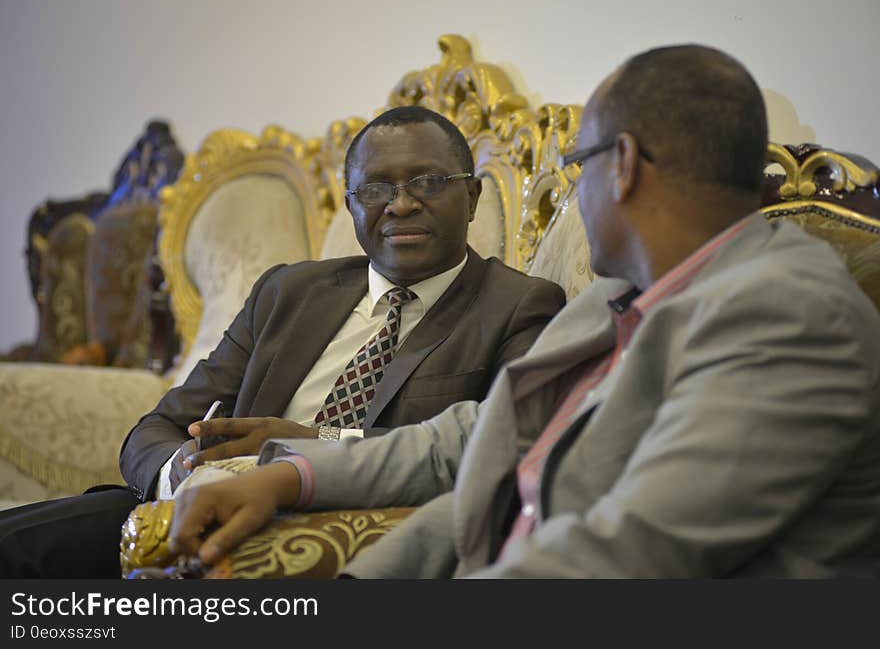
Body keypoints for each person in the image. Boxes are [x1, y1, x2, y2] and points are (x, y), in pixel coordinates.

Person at [168, 44, 880, 578]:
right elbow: (474, 440)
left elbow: (631, 553)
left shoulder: (791, 316)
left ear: (622, 164)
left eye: (576, 165)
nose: (573, 193)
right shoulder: (612, 298)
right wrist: (290, 474)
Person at [0, 106, 565, 578]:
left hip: (328, 529)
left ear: (470, 197)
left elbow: (490, 445)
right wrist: (185, 474)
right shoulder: (289, 291)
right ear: (350, 206)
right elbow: (155, 428)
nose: (400, 204)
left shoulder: (519, 305)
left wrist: (312, 441)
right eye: (376, 187)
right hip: (183, 508)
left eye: (428, 183)